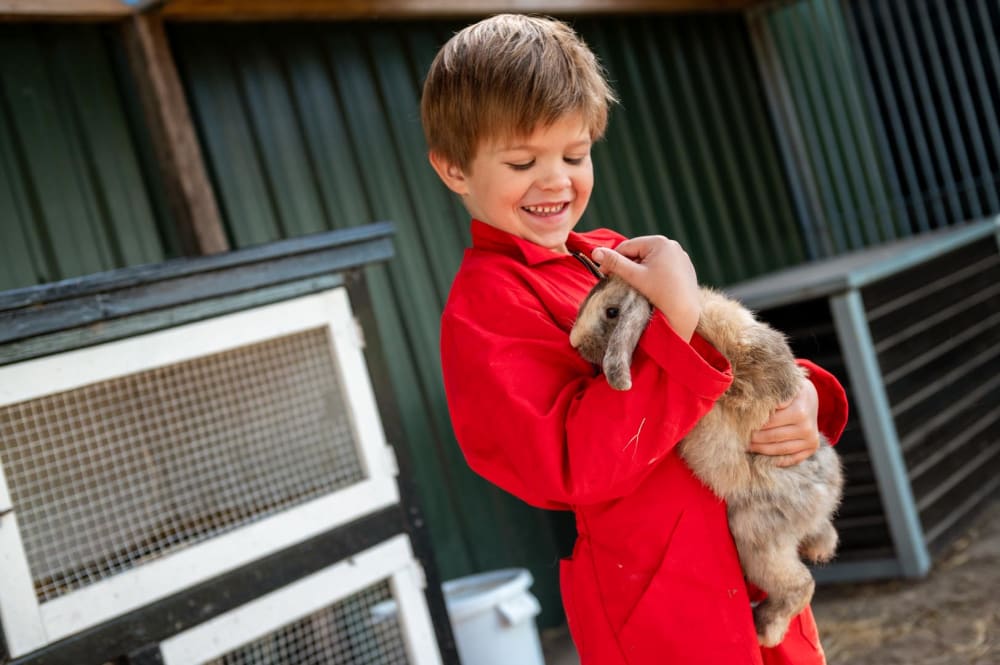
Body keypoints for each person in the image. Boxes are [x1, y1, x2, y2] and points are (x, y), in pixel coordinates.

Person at [422, 14, 848, 665]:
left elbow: (727, 341)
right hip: (659, 597)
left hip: (747, 556)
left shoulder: (611, 256)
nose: (555, 180)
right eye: (522, 161)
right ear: (454, 169)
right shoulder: (487, 310)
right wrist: (673, 321)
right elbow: (571, 464)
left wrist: (805, 397)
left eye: (574, 155)